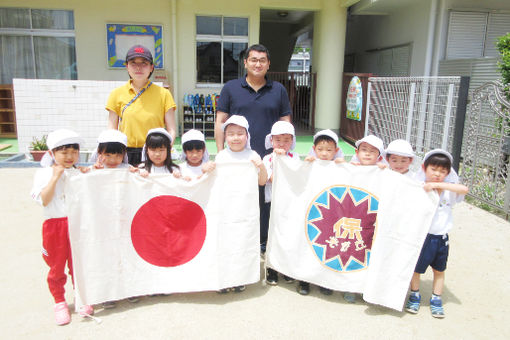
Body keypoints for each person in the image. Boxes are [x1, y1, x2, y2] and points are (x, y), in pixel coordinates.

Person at [214, 44, 292, 251]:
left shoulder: (278, 90)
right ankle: (240, 241)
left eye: (262, 60)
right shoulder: (231, 88)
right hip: (238, 159)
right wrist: (222, 152)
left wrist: (285, 153)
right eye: (254, 59)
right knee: (239, 202)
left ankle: (265, 241)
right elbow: (220, 120)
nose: (258, 64)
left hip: (269, 159)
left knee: (267, 203)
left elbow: (286, 122)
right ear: (245, 62)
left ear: (268, 64)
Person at [30, 129, 93, 325]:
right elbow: (45, 200)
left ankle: (81, 297)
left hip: (77, 224)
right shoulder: (43, 173)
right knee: (56, 267)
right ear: (52, 153)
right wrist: (55, 177)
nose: (69, 157)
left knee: (78, 264)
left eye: (74, 152)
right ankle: (59, 302)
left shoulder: (78, 172)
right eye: (64, 152)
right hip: (55, 226)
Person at [405, 149, 468, 318]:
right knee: (416, 269)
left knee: (439, 270)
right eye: (434, 169)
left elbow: (464, 189)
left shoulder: (449, 189)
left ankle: (436, 298)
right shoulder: (418, 186)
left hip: (441, 238)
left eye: (443, 171)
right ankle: (415, 294)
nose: (437, 174)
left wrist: (439, 185)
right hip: (422, 237)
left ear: (448, 173)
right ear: (424, 168)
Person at [214, 115, 268, 293]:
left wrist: (261, 167)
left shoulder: (253, 155)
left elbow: (262, 182)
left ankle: (240, 278)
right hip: (225, 210)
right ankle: (223, 277)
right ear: (225, 136)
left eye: (240, 133)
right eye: (230, 134)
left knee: (243, 243)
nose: (235, 138)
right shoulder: (221, 157)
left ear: (247, 135)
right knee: (225, 242)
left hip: (246, 210)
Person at [106, 44, 177, 166]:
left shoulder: (164, 94)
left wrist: (162, 152)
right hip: (125, 153)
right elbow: (112, 129)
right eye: (133, 63)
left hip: (154, 154)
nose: (138, 67)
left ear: (151, 67)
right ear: (127, 67)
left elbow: (171, 130)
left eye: (144, 63)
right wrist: (115, 153)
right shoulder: (116, 94)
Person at [262, 121, 299, 287]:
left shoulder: (296, 157)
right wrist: (279, 160)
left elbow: (299, 178)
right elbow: (269, 179)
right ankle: (272, 268)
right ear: (271, 141)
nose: (282, 143)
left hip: (290, 204)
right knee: (272, 236)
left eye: (286, 140)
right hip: (272, 203)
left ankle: (286, 268)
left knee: (287, 235)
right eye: (278, 139)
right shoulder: (267, 158)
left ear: (292, 141)